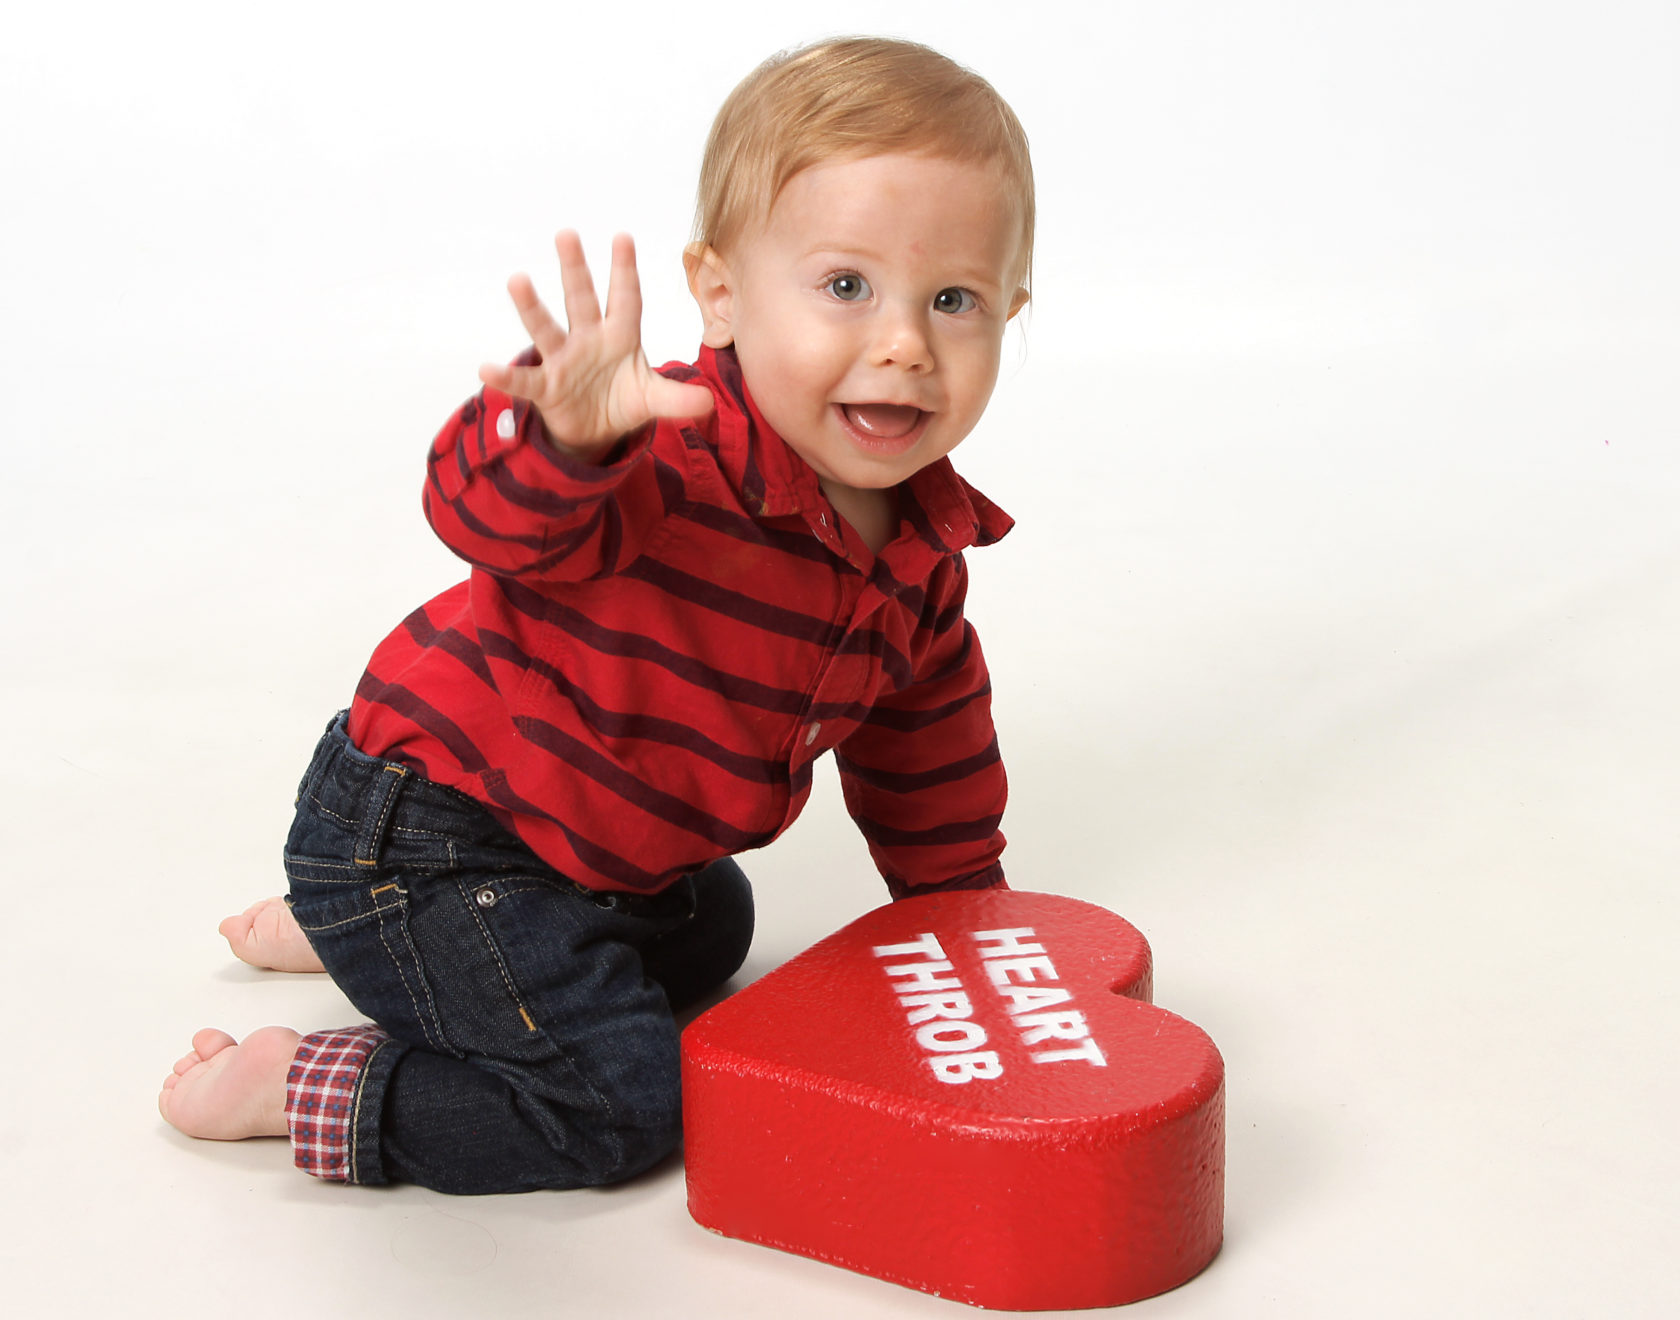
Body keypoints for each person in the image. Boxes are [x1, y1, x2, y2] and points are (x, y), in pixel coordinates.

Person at [157, 35, 1035, 1195]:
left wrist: (962, 914)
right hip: (428, 831)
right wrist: (566, 441)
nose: (904, 343)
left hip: (583, 853)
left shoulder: (921, 551)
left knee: (713, 924)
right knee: (623, 1101)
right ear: (719, 291)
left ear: (1012, 313)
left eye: (954, 300)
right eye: (844, 287)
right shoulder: (663, 456)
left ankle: (373, 947)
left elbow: (926, 747)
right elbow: (486, 516)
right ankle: (310, 1076)